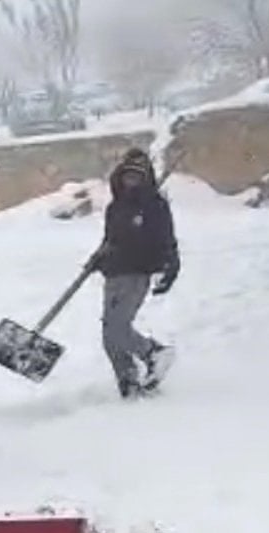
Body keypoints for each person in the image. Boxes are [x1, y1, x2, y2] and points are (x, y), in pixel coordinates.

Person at [94, 150, 180, 399]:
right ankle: (128, 383)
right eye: (126, 176)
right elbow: (111, 240)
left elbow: (167, 239)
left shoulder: (155, 206)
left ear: (145, 178)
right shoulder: (115, 207)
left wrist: (171, 266)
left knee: (119, 328)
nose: (129, 181)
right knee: (109, 335)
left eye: (136, 177)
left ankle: (153, 353)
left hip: (137, 273)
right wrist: (100, 257)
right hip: (114, 274)